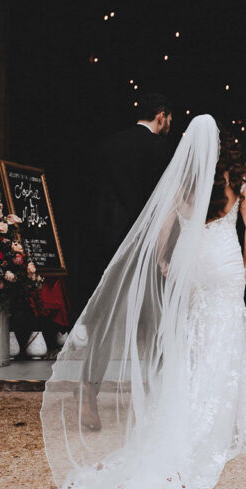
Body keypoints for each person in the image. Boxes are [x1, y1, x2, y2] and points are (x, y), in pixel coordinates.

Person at [41, 114, 246, 489]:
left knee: (195, 338)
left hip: (195, 269)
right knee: (225, 335)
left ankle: (184, 404)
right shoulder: (239, 180)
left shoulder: (184, 185)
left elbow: (163, 228)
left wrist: (166, 260)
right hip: (224, 265)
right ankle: (222, 416)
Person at [75, 93, 173, 429]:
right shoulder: (161, 151)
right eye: (169, 119)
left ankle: (89, 395)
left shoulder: (105, 146)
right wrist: (166, 252)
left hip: (107, 246)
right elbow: (167, 210)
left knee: (105, 322)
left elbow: (91, 199)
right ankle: (156, 400)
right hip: (146, 248)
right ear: (161, 116)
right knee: (156, 325)